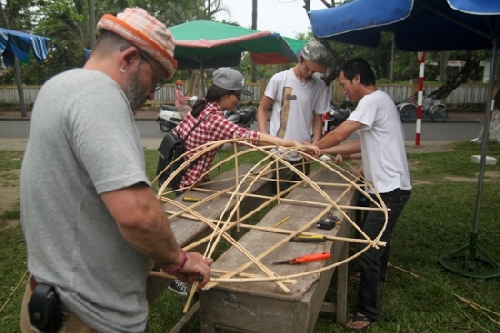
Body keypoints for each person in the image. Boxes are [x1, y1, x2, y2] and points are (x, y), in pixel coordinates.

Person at [19, 8, 212, 333]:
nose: (153, 93)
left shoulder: (57, 86)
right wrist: (178, 260)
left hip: (49, 303)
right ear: (129, 58)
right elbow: (139, 215)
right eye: (157, 79)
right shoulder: (99, 94)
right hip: (85, 318)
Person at [166, 67, 320, 295]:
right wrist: (291, 144)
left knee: (198, 225)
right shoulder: (214, 119)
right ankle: (178, 278)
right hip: (189, 183)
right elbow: (251, 138)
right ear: (224, 94)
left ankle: (184, 269)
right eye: (237, 96)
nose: (238, 101)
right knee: (193, 230)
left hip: (189, 178)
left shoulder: (202, 108)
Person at [314, 58, 411, 330]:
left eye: (344, 83)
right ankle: (378, 278)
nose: (343, 89)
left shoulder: (371, 101)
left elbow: (343, 133)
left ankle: (367, 312)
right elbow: (360, 143)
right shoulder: (381, 101)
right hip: (384, 187)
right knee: (380, 241)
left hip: (389, 190)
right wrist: (327, 150)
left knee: (369, 249)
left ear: (357, 79)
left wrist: (313, 147)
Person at [257, 40, 331, 192]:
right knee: (282, 194)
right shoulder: (279, 79)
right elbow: (262, 109)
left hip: (304, 150)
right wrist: (264, 136)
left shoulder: (319, 86)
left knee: (301, 194)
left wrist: (315, 143)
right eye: (308, 68)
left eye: (314, 71)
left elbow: (318, 117)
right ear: (300, 58)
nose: (311, 73)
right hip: (280, 150)